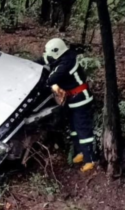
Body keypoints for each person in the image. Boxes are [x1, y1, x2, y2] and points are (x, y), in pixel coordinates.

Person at [37, 38, 96, 172]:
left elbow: (52, 79)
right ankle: (80, 152)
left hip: (81, 99)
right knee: (74, 128)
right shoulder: (61, 58)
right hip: (71, 99)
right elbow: (45, 60)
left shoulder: (67, 62)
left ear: (56, 52)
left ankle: (90, 159)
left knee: (83, 128)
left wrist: (44, 81)